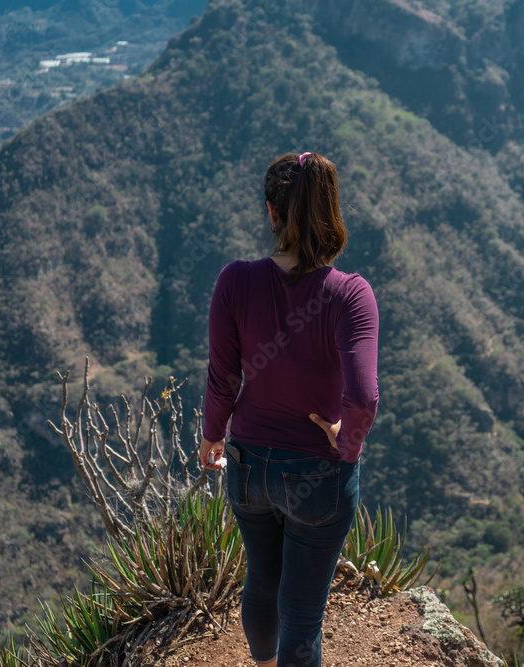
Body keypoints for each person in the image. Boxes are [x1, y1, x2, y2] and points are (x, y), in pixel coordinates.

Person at [198, 151, 379, 667]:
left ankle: (264, 663)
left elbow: (223, 378)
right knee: (301, 614)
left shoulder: (234, 281)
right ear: (331, 212)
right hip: (317, 474)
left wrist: (213, 434)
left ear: (272, 212)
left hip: (250, 466)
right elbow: (363, 397)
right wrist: (346, 441)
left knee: (261, 580)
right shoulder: (350, 296)